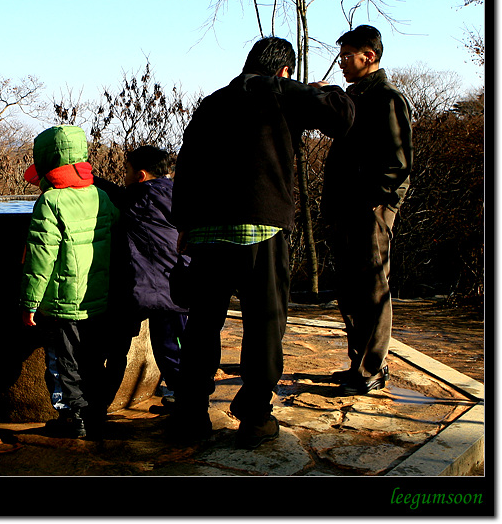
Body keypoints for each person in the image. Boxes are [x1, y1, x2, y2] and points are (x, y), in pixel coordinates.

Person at [172, 36, 354, 449]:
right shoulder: (280, 93)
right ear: (284, 70)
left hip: (206, 232)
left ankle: (189, 415)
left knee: (202, 325)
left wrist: (182, 223)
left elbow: (186, 164)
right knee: (265, 324)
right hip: (261, 230)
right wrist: (319, 91)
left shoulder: (213, 102)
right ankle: (254, 416)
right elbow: (342, 119)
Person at [318, 25, 413, 395]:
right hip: (344, 209)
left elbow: (398, 161)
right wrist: (326, 97)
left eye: (346, 56)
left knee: (373, 290)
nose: (341, 62)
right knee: (350, 290)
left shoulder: (387, 98)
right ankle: (358, 364)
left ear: (368, 56)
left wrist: (379, 203)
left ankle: (372, 368)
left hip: (369, 210)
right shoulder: (354, 98)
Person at [20, 125, 119, 439]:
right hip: (97, 297)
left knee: (63, 361)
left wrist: (29, 303)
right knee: (90, 358)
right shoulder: (101, 196)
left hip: (63, 303)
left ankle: (72, 417)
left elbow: (39, 260)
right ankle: (92, 413)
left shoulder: (50, 203)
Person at [93, 146, 189, 413]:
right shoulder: (176, 192)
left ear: (140, 175)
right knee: (182, 346)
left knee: (166, 348)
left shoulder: (143, 197)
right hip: (181, 280)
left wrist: (85, 175)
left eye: (126, 170)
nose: (124, 176)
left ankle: (188, 403)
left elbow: (118, 195)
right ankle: (187, 398)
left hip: (160, 288)